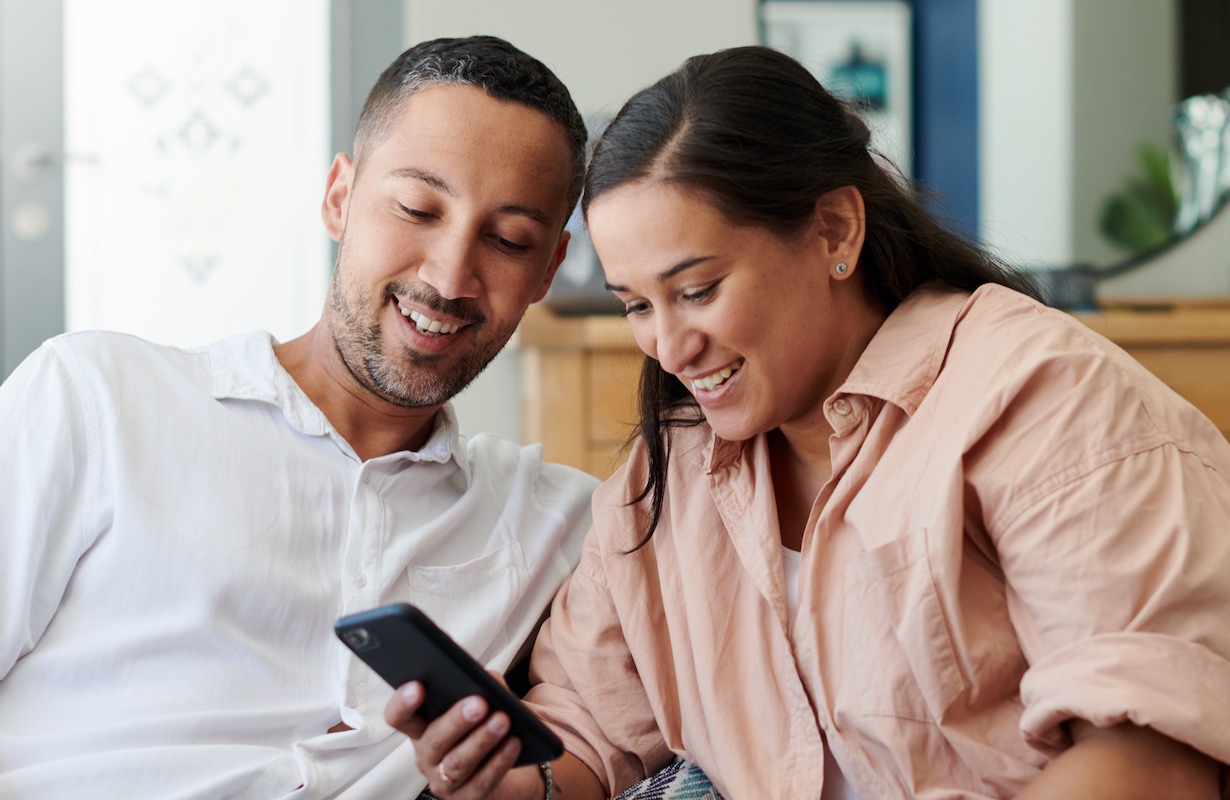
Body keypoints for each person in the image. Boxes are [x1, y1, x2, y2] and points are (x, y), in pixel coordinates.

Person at [388, 45, 1230, 799]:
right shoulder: (668, 476)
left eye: (698, 290)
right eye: (637, 305)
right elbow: (584, 738)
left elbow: (1153, 754)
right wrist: (498, 778)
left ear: (835, 229)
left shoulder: (1042, 397)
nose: (670, 346)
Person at [0, 36, 599, 799]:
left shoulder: (557, 521)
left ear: (549, 268)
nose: (449, 276)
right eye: (418, 208)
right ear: (339, 198)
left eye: (509, 240)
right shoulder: (94, 398)